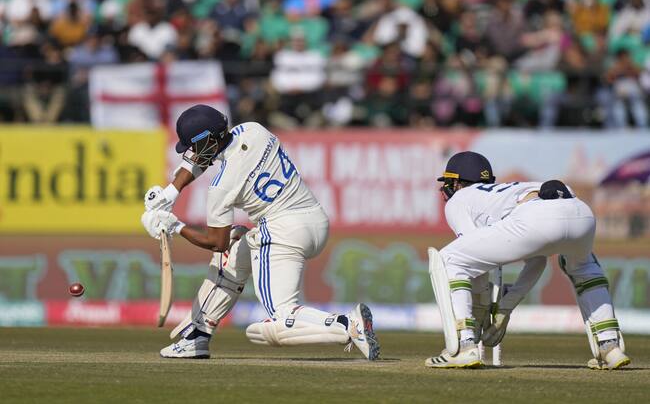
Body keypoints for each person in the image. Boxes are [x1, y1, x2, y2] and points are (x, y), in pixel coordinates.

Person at [140, 104, 379, 360]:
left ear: (208, 140)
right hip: (315, 220)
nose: (191, 153)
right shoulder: (254, 130)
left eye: (194, 146)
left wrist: (174, 226)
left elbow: (215, 242)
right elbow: (204, 159)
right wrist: (170, 192)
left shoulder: (221, 187)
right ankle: (197, 337)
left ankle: (346, 324)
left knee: (282, 314)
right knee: (232, 253)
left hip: (282, 231)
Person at [425, 151, 630, 370]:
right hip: (581, 212)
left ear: (455, 183)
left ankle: (464, 346)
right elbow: (537, 261)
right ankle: (610, 346)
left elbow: (472, 262)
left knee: (448, 261)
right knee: (585, 269)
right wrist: (504, 308)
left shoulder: (459, 199)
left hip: (536, 216)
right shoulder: (506, 192)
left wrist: (484, 308)